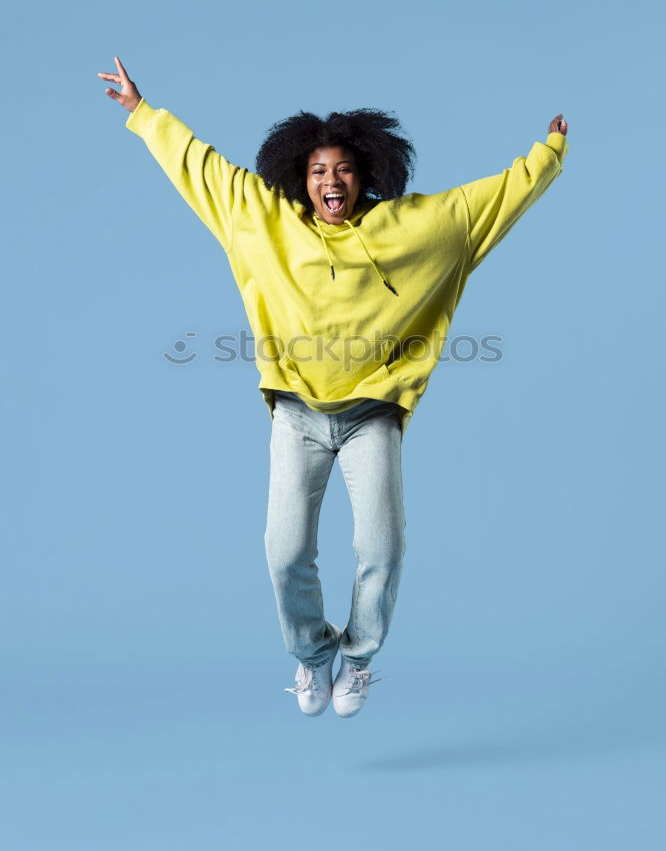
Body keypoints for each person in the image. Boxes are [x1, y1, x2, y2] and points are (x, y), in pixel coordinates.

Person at [98, 55, 569, 719]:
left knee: (384, 545)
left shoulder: (408, 228)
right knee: (284, 550)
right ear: (300, 176)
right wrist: (145, 115)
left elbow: (481, 206)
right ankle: (313, 659)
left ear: (366, 174)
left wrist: (546, 156)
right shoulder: (263, 221)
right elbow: (202, 172)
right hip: (296, 414)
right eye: (319, 170)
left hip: (372, 414)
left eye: (344, 169)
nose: (331, 180)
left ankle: (359, 660)